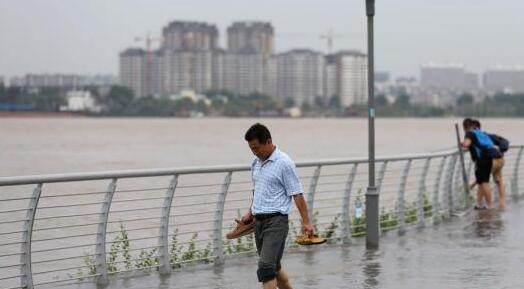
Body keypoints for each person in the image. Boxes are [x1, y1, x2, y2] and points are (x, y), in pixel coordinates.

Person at [241, 123, 314, 289]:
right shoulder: (256, 163)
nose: (254, 152)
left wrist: (306, 222)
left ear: (269, 141)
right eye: (251, 148)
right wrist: (250, 213)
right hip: (258, 223)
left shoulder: (284, 163)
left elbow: (297, 193)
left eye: (257, 147)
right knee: (274, 266)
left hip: (276, 222)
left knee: (266, 268)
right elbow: (258, 191)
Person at [462, 118, 499, 210]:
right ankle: (478, 204)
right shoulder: (477, 132)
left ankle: (489, 205)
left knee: (484, 182)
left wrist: (462, 143)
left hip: (481, 159)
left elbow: (467, 144)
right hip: (488, 157)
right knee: (481, 182)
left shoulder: (469, 133)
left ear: (465, 127)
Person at [471, 119, 506, 209]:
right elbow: (502, 141)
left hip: (492, 160)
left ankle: (480, 204)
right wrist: (501, 150)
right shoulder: (486, 135)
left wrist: (472, 184)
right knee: (499, 181)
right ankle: (502, 204)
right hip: (500, 158)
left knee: (483, 181)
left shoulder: (475, 136)